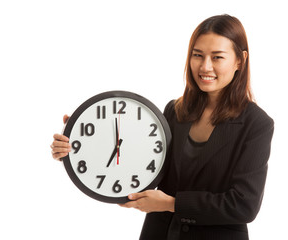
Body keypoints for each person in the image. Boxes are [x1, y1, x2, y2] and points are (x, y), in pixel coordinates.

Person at [51, 14, 274, 240]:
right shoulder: (175, 111)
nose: (205, 66)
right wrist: (78, 145)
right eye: (197, 55)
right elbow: (144, 163)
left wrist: (171, 204)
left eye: (217, 57)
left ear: (240, 60)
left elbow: (244, 205)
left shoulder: (256, 124)